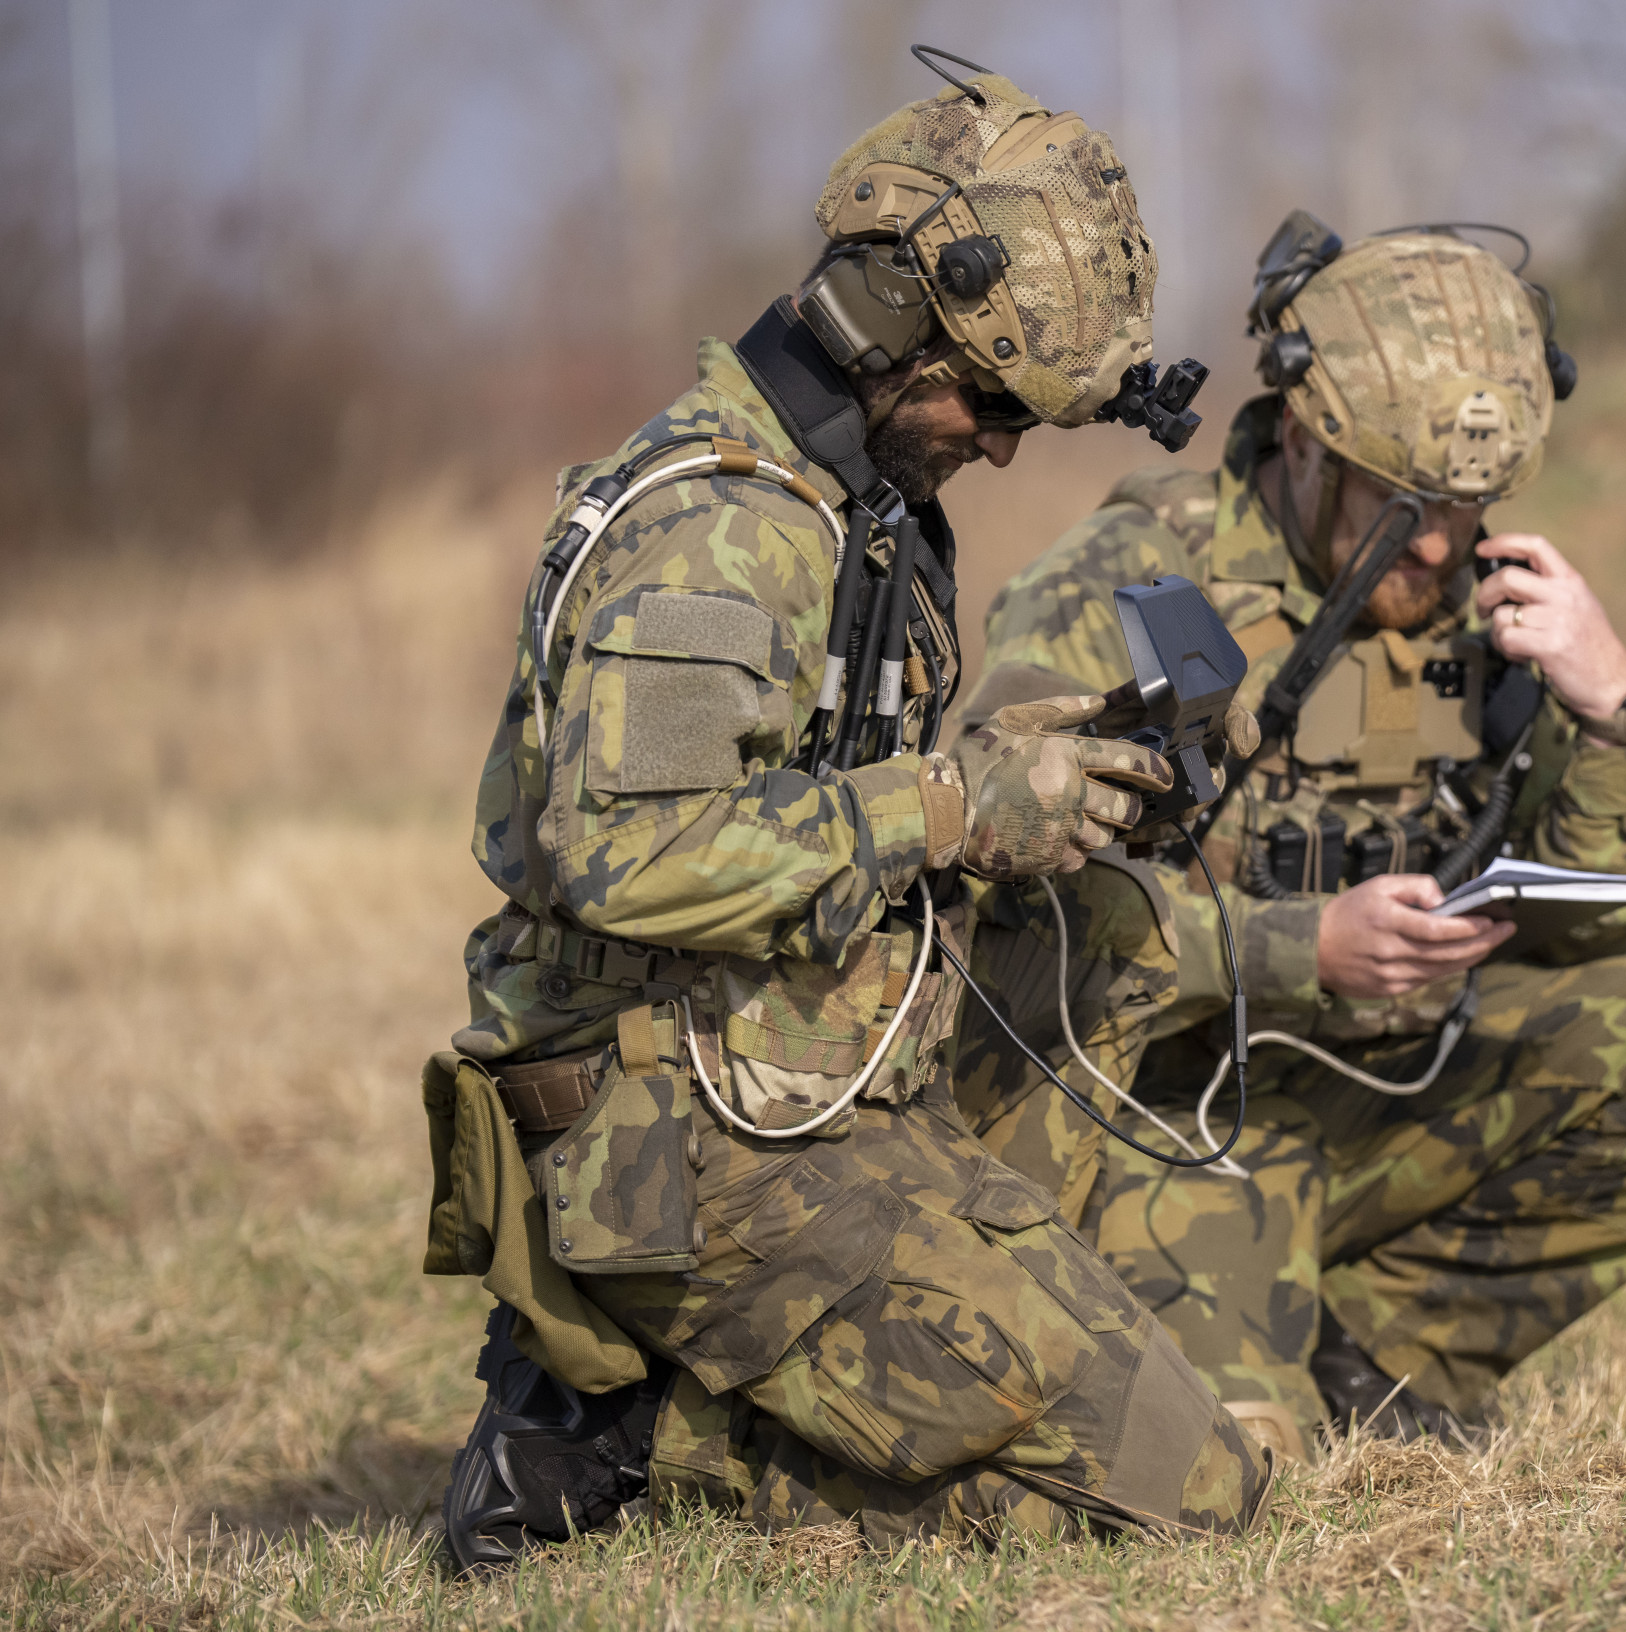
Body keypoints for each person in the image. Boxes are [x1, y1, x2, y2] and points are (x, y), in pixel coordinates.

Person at [421, 59, 1271, 1570]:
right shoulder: (719, 529)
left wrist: (1033, 777)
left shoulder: (846, 508)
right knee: (1179, 1486)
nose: (1000, 445)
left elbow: (806, 799)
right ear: (890, 323)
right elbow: (625, 854)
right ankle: (618, 1433)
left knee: (1117, 941)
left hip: (796, 1061)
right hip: (670, 1128)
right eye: (990, 400)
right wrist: (946, 805)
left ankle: (775, 1369)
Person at [947, 216, 1626, 1460]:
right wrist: (1299, 949)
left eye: (1468, 504)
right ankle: (1261, 1362)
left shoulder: (1484, 606)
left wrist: (1614, 714)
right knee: (1234, 1466)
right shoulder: (1132, 583)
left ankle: (1387, 1354)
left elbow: (1601, 923)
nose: (1443, 544)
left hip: (1389, 1092)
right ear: (1302, 439)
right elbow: (1012, 904)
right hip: (1180, 1121)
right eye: (1405, 506)